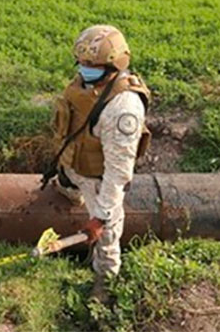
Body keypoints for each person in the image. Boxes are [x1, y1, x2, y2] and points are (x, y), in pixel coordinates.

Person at [49, 25, 151, 303]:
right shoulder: (90, 83)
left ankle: (105, 281)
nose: (83, 69)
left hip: (99, 178)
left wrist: (102, 217)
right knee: (68, 184)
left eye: (90, 64)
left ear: (113, 64)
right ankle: (70, 189)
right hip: (75, 163)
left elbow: (118, 173)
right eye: (80, 62)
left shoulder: (123, 107)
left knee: (107, 236)